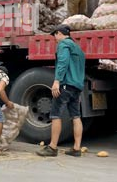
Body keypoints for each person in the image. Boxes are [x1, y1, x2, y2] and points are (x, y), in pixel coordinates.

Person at [36, 24, 86, 157]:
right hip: (77, 86)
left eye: (54, 36)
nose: (55, 39)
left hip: (65, 85)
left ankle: (52, 147)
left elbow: (63, 62)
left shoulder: (64, 45)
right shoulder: (78, 48)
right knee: (76, 116)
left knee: (55, 114)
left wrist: (57, 81)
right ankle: (76, 148)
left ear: (59, 33)